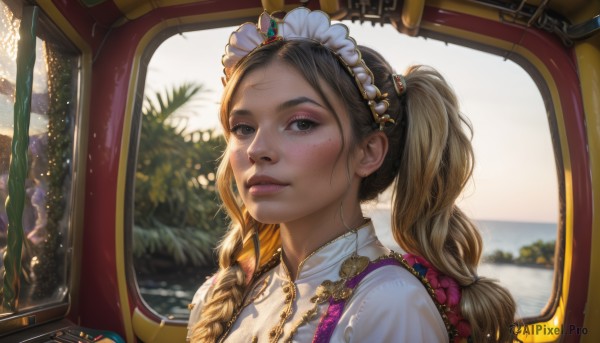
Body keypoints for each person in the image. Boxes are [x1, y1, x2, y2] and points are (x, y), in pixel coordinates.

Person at [188, 7, 516, 343]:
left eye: (302, 123)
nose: (257, 149)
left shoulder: (389, 305)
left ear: (368, 152)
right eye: (243, 127)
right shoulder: (225, 294)